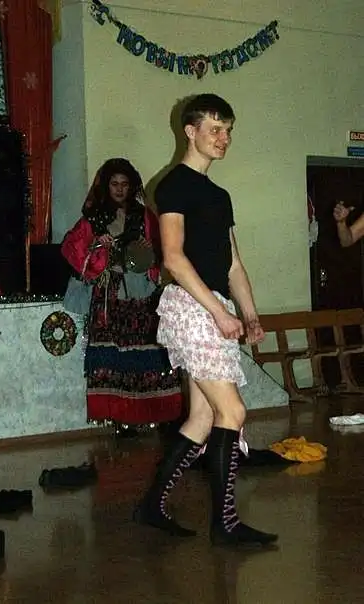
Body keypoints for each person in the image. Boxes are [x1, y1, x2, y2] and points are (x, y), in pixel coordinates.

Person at [133, 94, 278, 547]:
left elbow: (232, 263)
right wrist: (218, 312)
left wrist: (249, 314)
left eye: (228, 130)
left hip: (211, 302)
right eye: (215, 129)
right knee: (232, 411)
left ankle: (151, 505)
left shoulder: (219, 196)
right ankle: (226, 523)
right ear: (190, 131)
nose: (223, 138)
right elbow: (174, 259)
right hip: (190, 305)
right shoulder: (174, 185)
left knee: (201, 418)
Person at [61, 158, 183, 436]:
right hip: (110, 295)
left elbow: (165, 248)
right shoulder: (94, 218)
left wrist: (150, 252)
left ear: (131, 186)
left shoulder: (144, 216)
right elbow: (71, 248)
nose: (119, 189)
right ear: (106, 186)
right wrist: (96, 246)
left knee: (150, 350)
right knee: (113, 355)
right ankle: (120, 418)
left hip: (143, 295)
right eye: (114, 184)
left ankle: (156, 414)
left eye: (124, 184)